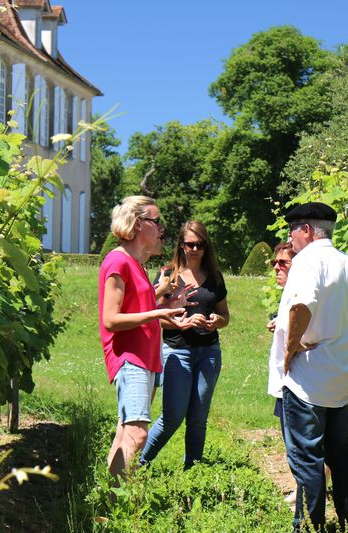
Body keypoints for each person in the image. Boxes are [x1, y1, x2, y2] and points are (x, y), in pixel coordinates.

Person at [276, 201, 348, 533]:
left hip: (308, 379)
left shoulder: (308, 261)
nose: (291, 238)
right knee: (342, 457)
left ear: (306, 230)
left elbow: (301, 307)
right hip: (340, 379)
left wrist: (290, 350)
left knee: (308, 458)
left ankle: (309, 526)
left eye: (293, 230)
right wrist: (344, 322)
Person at [99, 196, 194, 479]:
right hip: (130, 357)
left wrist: (166, 304)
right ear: (138, 223)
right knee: (138, 433)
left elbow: (137, 307)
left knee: (126, 431)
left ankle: (112, 503)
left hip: (147, 356)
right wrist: (157, 315)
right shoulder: (118, 261)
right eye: (156, 221)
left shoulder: (136, 264)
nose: (161, 228)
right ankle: (119, 504)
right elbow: (111, 320)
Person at [140, 221, 230, 469]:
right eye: (189, 244)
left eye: (200, 244)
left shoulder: (214, 278)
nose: (194, 249)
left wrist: (216, 321)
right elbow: (157, 319)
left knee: (199, 418)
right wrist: (184, 321)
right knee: (172, 417)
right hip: (177, 351)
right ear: (181, 245)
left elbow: (225, 315)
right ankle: (139, 463)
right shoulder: (168, 276)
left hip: (208, 353)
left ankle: (193, 471)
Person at [267, 243, 330, 505]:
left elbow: (311, 331)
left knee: (299, 441)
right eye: (275, 262)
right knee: (294, 439)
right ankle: (307, 487)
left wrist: (295, 346)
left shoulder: (301, 296)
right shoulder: (289, 294)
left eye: (284, 263)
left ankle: (309, 494)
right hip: (288, 379)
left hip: (296, 381)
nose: (277, 268)